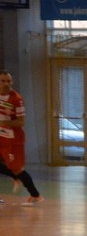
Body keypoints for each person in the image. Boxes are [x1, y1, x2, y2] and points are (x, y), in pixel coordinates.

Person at [0, 70, 43, 206]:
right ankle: (14, 177)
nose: (6, 84)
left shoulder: (16, 99)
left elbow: (21, 122)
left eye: (8, 81)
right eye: (2, 81)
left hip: (13, 140)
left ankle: (35, 195)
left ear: (12, 82)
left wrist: (4, 123)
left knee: (17, 169)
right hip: (1, 136)